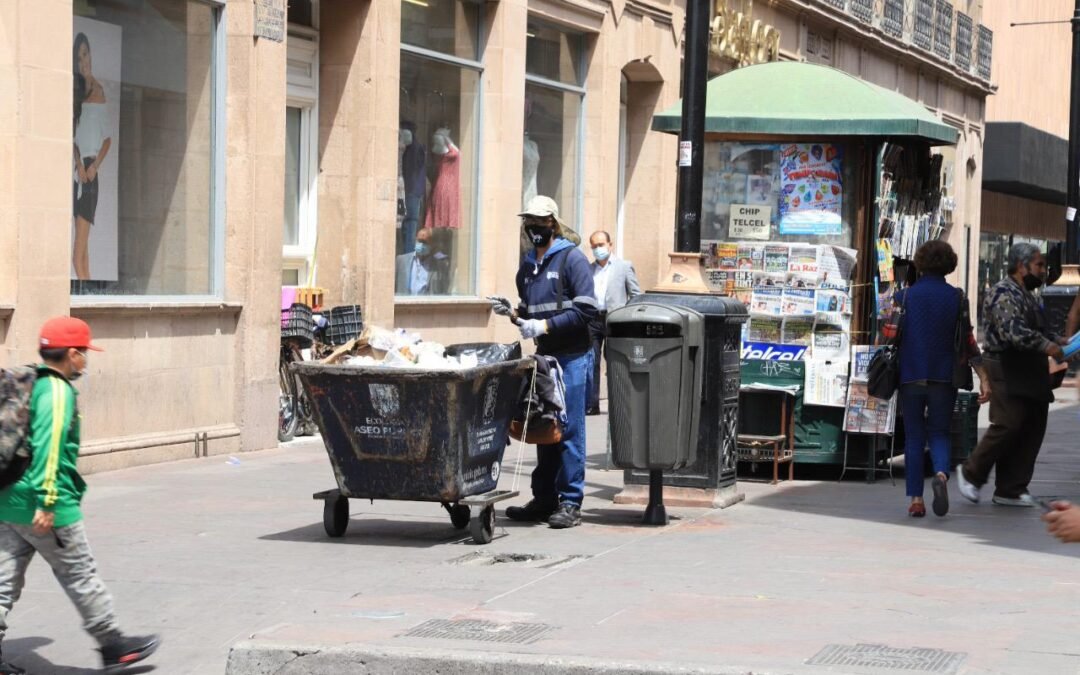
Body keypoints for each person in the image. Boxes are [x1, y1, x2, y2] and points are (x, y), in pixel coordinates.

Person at [0, 318, 159, 674]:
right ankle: (113, 645)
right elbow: (49, 448)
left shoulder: (31, 381)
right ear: (72, 354)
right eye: (84, 354)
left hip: (8, 500)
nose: (85, 361)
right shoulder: (56, 391)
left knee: (3, 580)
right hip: (45, 506)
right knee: (80, 574)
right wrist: (48, 501)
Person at [490, 195, 597, 529]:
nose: (534, 227)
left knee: (569, 429)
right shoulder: (527, 267)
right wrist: (514, 314)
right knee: (544, 426)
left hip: (573, 356)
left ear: (553, 223)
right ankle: (544, 499)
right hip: (545, 357)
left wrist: (545, 325)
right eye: (530, 222)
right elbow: (529, 311)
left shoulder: (571, 260)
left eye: (540, 221)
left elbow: (585, 310)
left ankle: (570, 502)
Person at [955, 244, 1069, 507]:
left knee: (1032, 425)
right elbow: (1013, 332)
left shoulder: (1028, 295)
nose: (1043, 271)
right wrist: (1048, 346)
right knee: (1008, 422)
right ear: (1022, 266)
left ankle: (1011, 488)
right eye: (1039, 265)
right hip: (1005, 365)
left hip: (1029, 368)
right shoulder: (1003, 293)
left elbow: (1041, 331)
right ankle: (971, 472)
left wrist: (1062, 343)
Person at [893, 241, 990, 518]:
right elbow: (969, 341)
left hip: (910, 374)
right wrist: (983, 376)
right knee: (939, 432)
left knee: (913, 436)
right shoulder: (957, 298)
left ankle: (915, 500)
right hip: (943, 376)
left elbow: (887, 336)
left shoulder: (905, 297)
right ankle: (941, 475)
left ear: (920, 263)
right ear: (949, 264)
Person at [585, 230, 642, 415]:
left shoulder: (623, 267)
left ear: (610, 245)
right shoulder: (588, 269)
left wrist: (628, 316)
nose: (598, 249)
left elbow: (636, 294)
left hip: (615, 319)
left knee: (615, 360)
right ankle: (591, 404)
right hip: (593, 318)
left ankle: (617, 401)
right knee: (591, 360)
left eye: (601, 245)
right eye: (594, 246)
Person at [72, 33, 112, 282]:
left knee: (77, 257)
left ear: (91, 55)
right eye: (78, 57)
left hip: (90, 173)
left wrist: (94, 166)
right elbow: (73, 138)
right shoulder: (76, 91)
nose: (82, 61)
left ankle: (85, 303)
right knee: (82, 253)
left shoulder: (99, 90)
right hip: (78, 173)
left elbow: (107, 139)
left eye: (85, 54)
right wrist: (78, 164)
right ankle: (86, 299)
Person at [395, 228, 450, 295]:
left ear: (432, 245)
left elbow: (443, 291)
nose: (421, 244)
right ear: (415, 240)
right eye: (419, 241)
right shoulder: (401, 261)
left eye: (424, 242)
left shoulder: (439, 267)